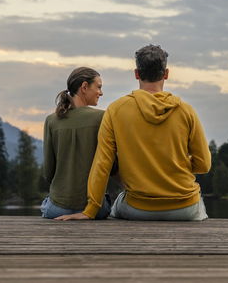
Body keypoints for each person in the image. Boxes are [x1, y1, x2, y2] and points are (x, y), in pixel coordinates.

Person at [55, 45, 211, 221]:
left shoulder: (116, 110)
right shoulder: (186, 111)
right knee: (200, 211)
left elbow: (102, 164)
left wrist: (90, 211)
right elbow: (203, 165)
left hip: (138, 207)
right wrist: (175, 164)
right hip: (185, 207)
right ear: (166, 74)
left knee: (115, 211)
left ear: (136, 74)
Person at [40, 67, 112, 219]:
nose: (101, 92)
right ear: (84, 87)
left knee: (47, 203)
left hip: (57, 210)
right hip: (96, 210)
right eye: (98, 87)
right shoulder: (103, 118)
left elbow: (48, 172)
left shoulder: (51, 121)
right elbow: (112, 166)